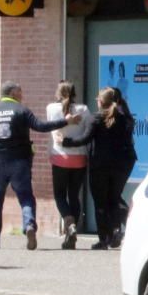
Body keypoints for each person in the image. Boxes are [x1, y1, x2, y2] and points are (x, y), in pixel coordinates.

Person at [0, 81, 81, 250]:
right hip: (19, 161)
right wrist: (65, 121)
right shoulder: (21, 111)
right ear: (13, 93)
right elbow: (40, 126)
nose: (22, 95)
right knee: (25, 198)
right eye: (20, 92)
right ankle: (29, 226)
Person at [62, 87, 137, 250]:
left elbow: (84, 138)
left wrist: (66, 141)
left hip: (100, 165)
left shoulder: (95, 119)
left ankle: (104, 239)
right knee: (114, 197)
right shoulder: (125, 118)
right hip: (122, 164)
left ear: (100, 101)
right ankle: (116, 230)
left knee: (100, 203)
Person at [46, 81, 91, 249]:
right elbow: (88, 129)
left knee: (59, 195)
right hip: (79, 158)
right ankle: (72, 232)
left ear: (58, 93)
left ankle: (69, 222)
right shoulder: (84, 110)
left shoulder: (51, 108)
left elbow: (52, 126)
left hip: (60, 157)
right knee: (74, 196)